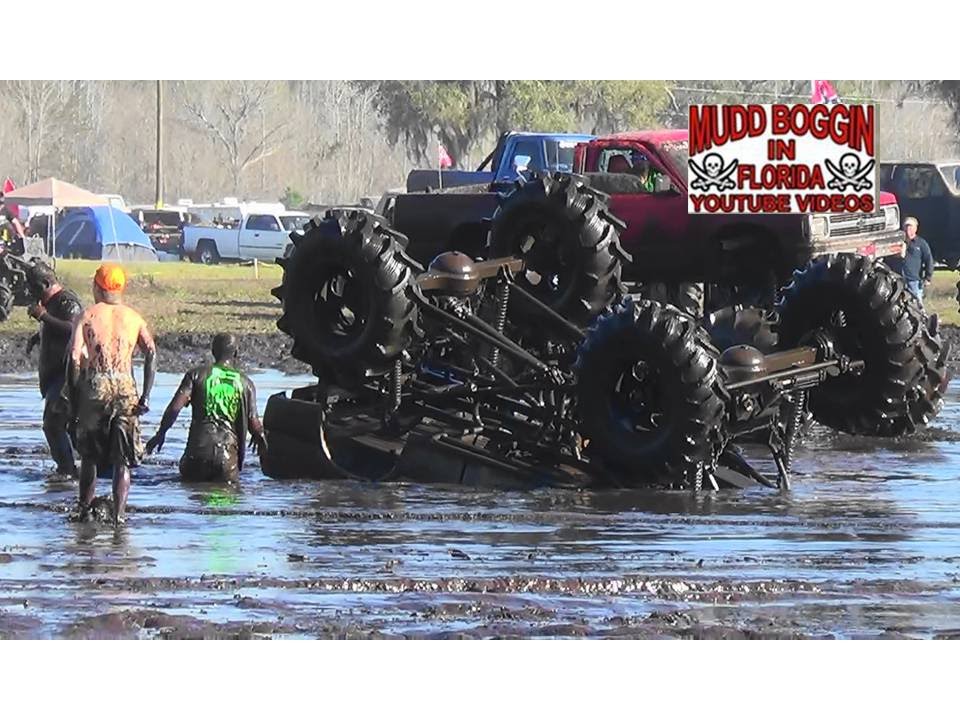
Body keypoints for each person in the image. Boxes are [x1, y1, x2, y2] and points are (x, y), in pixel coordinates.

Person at [66, 263, 156, 525]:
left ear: (97, 287)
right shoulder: (134, 318)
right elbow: (151, 352)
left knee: (90, 456)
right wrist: (146, 396)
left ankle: (84, 509)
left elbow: (73, 357)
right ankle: (119, 516)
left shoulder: (87, 315)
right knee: (122, 459)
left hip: (96, 385)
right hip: (126, 389)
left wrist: (74, 400)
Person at [145, 333, 266, 484]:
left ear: (213, 351)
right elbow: (254, 424)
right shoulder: (246, 384)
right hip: (227, 461)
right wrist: (262, 438)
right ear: (236, 353)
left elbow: (174, 409)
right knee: (227, 499)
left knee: (193, 494)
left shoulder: (196, 375)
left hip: (196, 456)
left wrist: (160, 433)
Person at [24, 262, 84, 477]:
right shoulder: (51, 304)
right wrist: (38, 336)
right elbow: (55, 328)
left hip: (66, 375)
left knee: (53, 423)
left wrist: (43, 317)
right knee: (66, 426)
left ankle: (67, 469)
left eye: (34, 287)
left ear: (46, 283)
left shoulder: (67, 302)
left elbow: (73, 329)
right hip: (54, 376)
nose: (31, 292)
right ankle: (79, 468)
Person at [886, 216, 934, 303]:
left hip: (914, 281)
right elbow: (888, 258)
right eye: (906, 226)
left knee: (916, 304)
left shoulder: (921, 243)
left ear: (916, 228)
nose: (908, 229)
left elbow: (929, 260)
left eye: (911, 226)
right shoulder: (897, 242)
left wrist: (928, 277)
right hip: (897, 280)